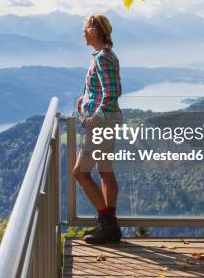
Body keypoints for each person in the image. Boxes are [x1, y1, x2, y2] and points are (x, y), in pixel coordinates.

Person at [73, 14, 123, 244]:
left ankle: (107, 224)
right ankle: (108, 225)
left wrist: (95, 116)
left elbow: (112, 92)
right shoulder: (105, 56)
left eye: (85, 29)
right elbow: (110, 89)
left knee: (80, 173)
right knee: (104, 170)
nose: (83, 32)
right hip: (108, 121)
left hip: (102, 123)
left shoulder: (103, 58)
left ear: (94, 31)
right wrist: (85, 98)